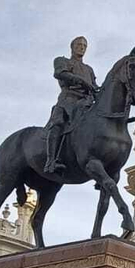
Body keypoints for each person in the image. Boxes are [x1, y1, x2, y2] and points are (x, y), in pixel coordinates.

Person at [44, 35, 98, 173]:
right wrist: (81, 81)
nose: (82, 47)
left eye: (84, 46)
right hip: (68, 99)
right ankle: (51, 161)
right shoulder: (62, 61)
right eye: (79, 44)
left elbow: (95, 87)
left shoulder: (89, 69)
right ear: (72, 47)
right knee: (58, 123)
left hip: (86, 102)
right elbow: (60, 73)